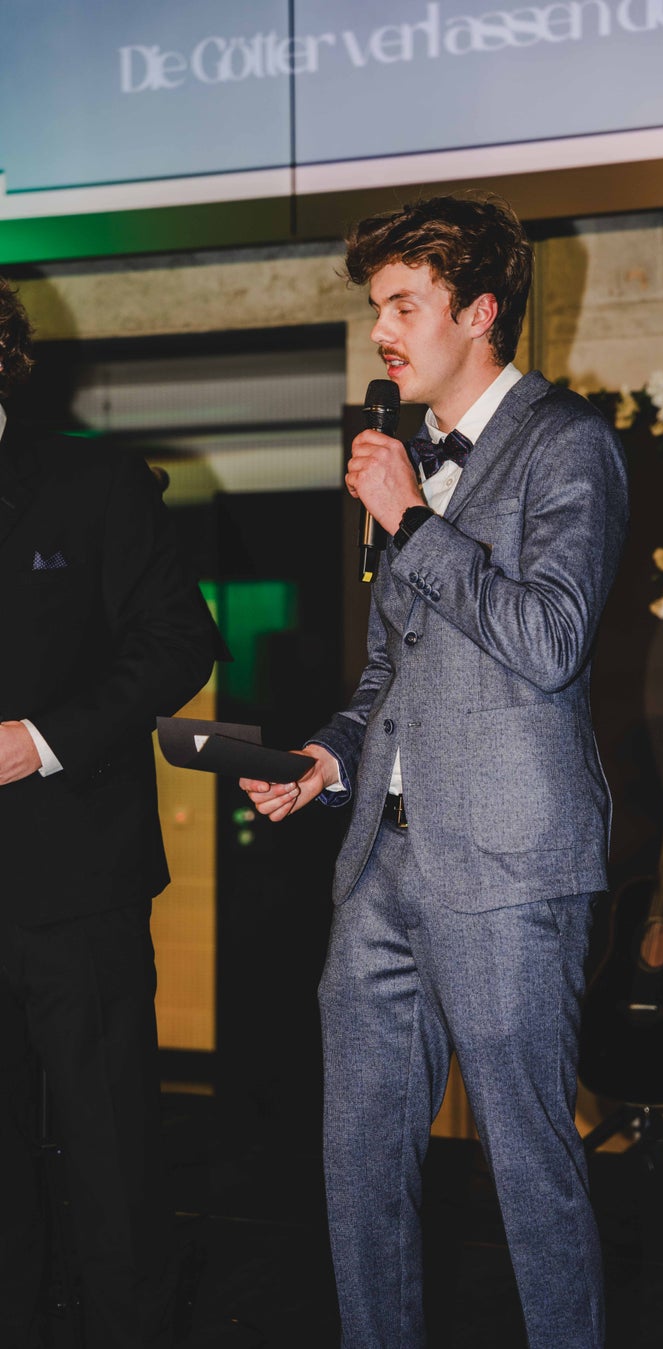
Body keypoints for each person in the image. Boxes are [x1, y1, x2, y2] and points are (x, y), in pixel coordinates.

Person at [242, 194, 629, 1348]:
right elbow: (389, 673)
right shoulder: (408, 464)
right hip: (384, 862)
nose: (382, 332)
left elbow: (550, 639)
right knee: (360, 1167)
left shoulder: (569, 444)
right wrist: (330, 753)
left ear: (480, 310)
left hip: (508, 865)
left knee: (531, 1171)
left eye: (405, 305)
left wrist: (413, 522)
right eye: (378, 308)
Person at [0, 276, 218, 1348]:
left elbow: (180, 643)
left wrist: (38, 738)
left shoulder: (97, 483)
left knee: (111, 1151)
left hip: (76, 881)